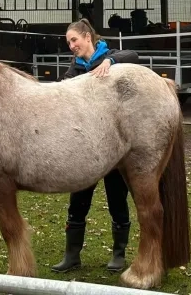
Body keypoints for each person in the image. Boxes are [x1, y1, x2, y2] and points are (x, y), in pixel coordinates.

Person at [51, 18, 140, 273]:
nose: (71, 46)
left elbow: (133, 54)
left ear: (87, 37)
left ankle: (119, 255)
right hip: (85, 149)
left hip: (112, 148)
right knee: (78, 202)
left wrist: (110, 62)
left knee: (117, 201)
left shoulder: (110, 56)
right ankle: (72, 256)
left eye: (74, 40)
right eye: (68, 42)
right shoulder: (73, 71)